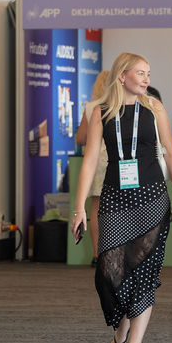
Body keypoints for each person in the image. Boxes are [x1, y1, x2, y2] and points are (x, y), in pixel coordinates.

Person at [71, 53, 172, 343]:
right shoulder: (101, 111)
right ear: (122, 76)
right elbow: (90, 159)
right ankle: (122, 324)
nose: (147, 79)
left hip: (151, 197)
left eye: (148, 73)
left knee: (145, 272)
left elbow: (170, 151)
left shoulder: (154, 108)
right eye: (140, 73)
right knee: (109, 270)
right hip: (114, 196)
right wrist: (79, 207)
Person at [75, 71, 111, 266]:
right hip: (115, 161)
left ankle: (97, 254)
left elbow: (81, 138)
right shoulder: (118, 106)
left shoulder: (90, 108)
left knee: (96, 209)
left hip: (96, 160)